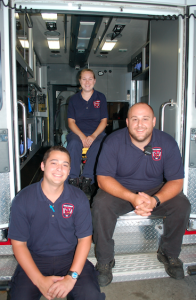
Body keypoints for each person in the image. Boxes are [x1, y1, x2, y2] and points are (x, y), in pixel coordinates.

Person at [92, 103, 191, 287]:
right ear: (127, 122)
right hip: (121, 191)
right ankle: (105, 260)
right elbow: (103, 179)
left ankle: (169, 253)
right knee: (100, 204)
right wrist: (132, 197)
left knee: (182, 204)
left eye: (145, 119)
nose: (140, 124)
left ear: (153, 121)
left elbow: (176, 181)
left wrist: (156, 200)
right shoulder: (113, 141)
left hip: (154, 190)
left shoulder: (167, 142)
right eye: (135, 119)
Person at [8, 146, 105, 300]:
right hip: (35, 258)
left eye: (65, 165)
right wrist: (39, 281)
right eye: (54, 163)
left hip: (70, 257)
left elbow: (84, 240)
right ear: (43, 166)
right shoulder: (23, 199)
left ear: (69, 171)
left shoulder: (78, 198)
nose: (59, 168)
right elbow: (19, 244)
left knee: (90, 296)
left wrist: (71, 277)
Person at [66, 69, 108, 198]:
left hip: (97, 132)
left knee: (99, 144)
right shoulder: (73, 99)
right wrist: (83, 136)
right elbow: (71, 122)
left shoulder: (101, 97)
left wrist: (93, 136)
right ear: (79, 81)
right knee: (73, 143)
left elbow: (104, 121)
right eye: (84, 79)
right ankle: (73, 180)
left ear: (94, 81)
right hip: (77, 132)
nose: (87, 82)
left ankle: (87, 180)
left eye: (90, 79)